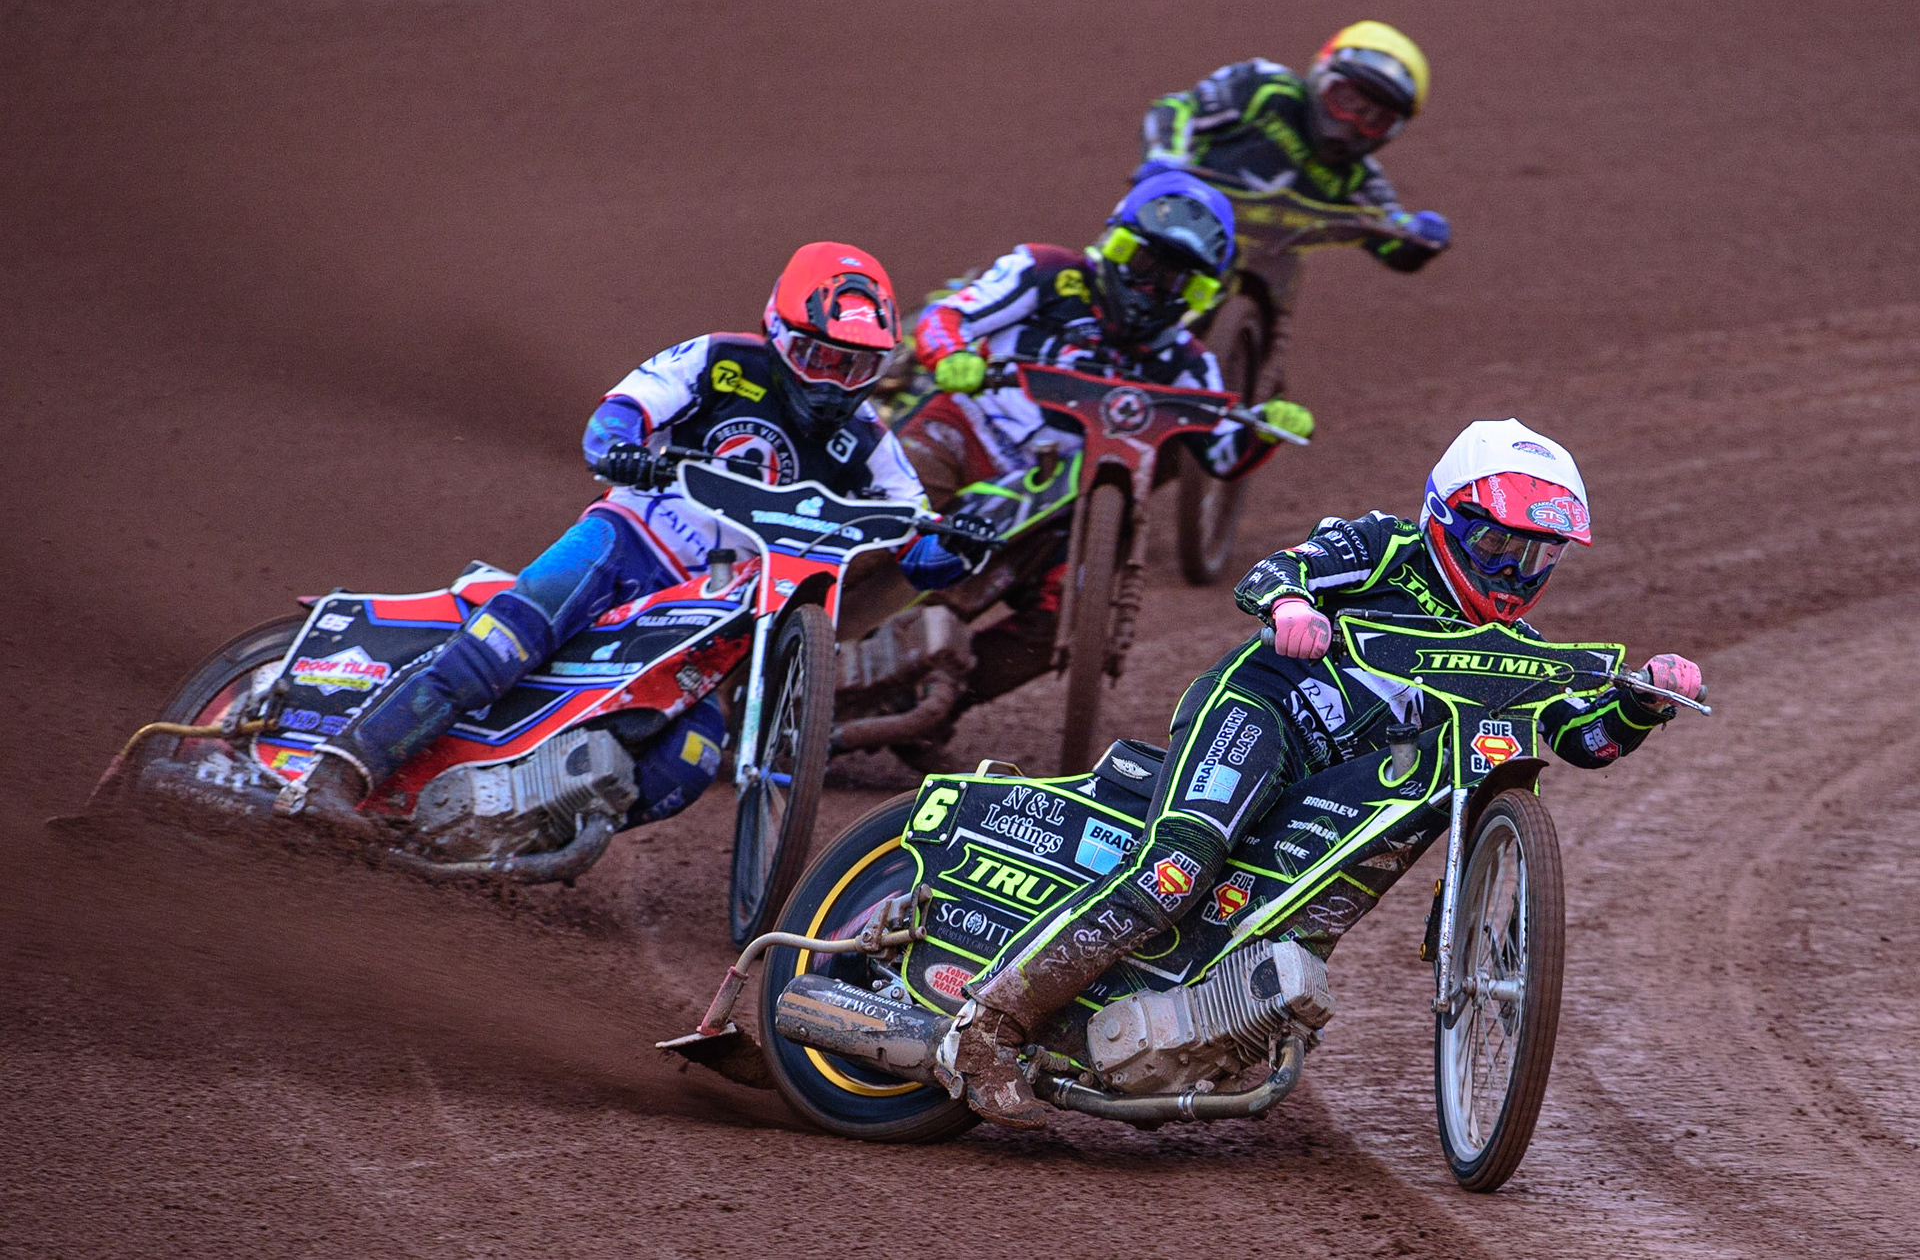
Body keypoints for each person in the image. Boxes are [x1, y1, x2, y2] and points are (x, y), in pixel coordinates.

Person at [944, 418, 1706, 1127]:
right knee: (1177, 867)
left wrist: (1645, 699)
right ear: (1444, 518)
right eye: (1497, 544)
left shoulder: (1516, 649)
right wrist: (1290, 604)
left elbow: (1586, 738)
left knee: (1283, 920)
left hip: (1326, 788)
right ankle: (987, 1028)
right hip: (1261, 713)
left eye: (1536, 555)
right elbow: (1278, 568)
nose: (1514, 570)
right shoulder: (1386, 545)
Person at [281, 243, 984, 839]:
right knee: (500, 649)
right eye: (816, 356)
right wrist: (621, 449)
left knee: (688, 760)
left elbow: (915, 543)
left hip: (717, 610)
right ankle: (339, 772)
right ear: (778, 332)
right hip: (629, 544)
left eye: (854, 367)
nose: (831, 384)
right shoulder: (717, 360)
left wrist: (960, 546)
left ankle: (507, 830)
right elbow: (620, 413)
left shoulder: (869, 443)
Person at [897, 170, 1314, 706]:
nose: (1151, 288)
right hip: (965, 434)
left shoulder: (1186, 361)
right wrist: (951, 353)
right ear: (1115, 245)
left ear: (1199, 293)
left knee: (1065, 617)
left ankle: (926, 705)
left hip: (1059, 504)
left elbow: (1223, 453)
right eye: (1144, 264)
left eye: (1176, 281)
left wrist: (1267, 428)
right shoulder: (1046, 273)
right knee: (889, 518)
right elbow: (948, 315)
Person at [1137, 21, 1451, 401]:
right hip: (1179, 218)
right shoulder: (1263, 88)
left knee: (1275, 399)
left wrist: (1418, 236)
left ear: (1391, 131)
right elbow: (1178, 107)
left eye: (1374, 119)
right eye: (1346, 101)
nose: (1351, 121)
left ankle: (1251, 400)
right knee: (1109, 275)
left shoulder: (1358, 180)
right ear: (1321, 77)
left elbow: (1391, 234)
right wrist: (1165, 158)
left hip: (1267, 269)